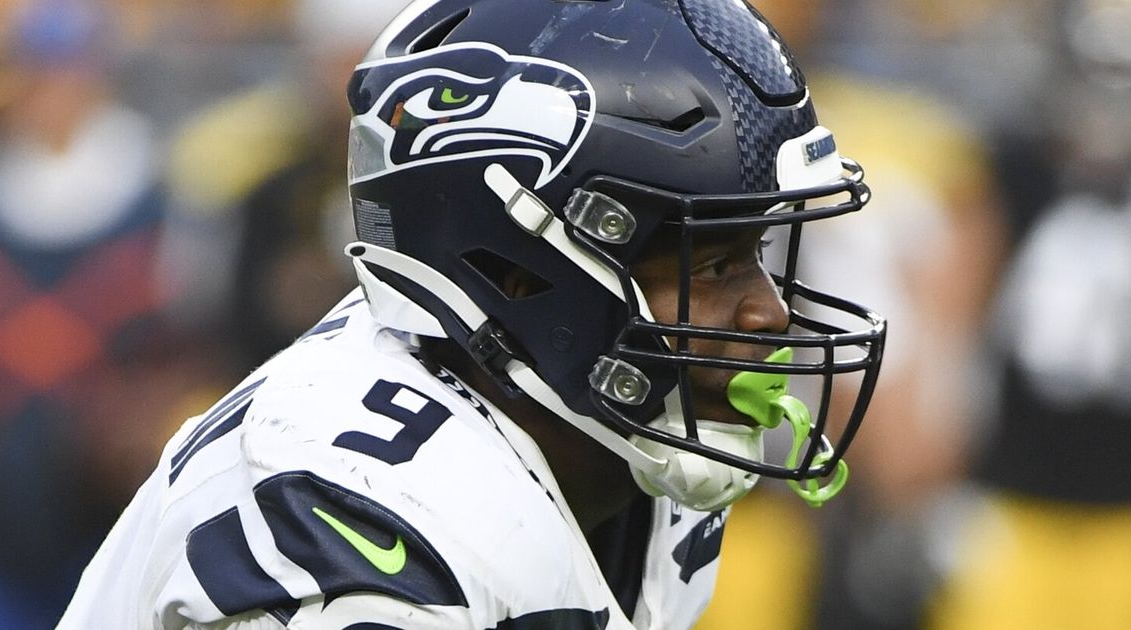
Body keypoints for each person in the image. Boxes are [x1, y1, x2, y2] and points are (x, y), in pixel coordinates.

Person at [58, 0, 886, 627]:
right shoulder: (361, 519)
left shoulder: (615, 449)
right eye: (710, 264)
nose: (766, 312)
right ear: (519, 274)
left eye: (754, 255)